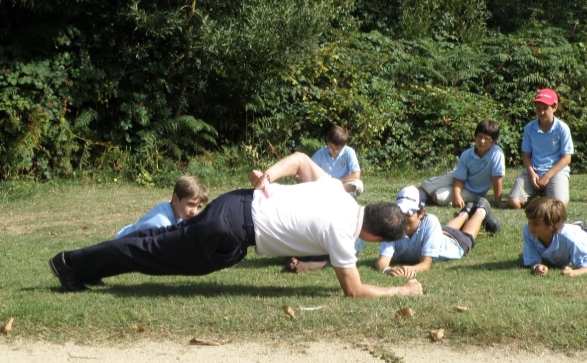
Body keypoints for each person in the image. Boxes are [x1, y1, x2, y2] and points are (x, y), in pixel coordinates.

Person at [48, 153, 423, 298]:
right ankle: (70, 264)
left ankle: (81, 268)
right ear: (373, 236)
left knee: (155, 245)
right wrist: (404, 292)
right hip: (228, 232)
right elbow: (354, 291)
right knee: (153, 253)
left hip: (235, 204)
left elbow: (299, 160)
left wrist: (268, 178)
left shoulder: (338, 192)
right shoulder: (343, 233)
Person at [374, 186, 499, 279]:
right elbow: (382, 261)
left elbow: (425, 264)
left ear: (421, 213)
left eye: (408, 213)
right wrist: (387, 270)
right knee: (443, 229)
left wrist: (406, 269)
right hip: (441, 234)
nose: (402, 218)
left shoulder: (431, 222)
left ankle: (481, 210)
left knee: (468, 236)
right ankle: (465, 211)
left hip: (454, 242)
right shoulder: (392, 225)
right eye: (399, 212)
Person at [504, 88, 574, 209]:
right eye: (538, 109)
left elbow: (566, 158)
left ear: (554, 108)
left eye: (545, 108)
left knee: (559, 205)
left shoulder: (562, 128)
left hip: (556, 173)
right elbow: (526, 156)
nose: (541, 112)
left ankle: (542, 197)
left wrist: (547, 176)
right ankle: (539, 198)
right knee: (514, 202)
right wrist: (532, 174)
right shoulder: (529, 128)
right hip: (534, 172)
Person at [417, 120, 504, 215]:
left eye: (486, 139)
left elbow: (497, 179)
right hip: (458, 177)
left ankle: (431, 195)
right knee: (427, 187)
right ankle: (412, 196)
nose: (482, 141)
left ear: (493, 142)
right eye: (479, 137)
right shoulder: (466, 154)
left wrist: (498, 202)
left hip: (473, 192)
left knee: (437, 197)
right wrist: (457, 195)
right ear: (475, 136)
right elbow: (459, 178)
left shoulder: (496, 153)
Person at [523, 196, 587, 277]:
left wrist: (574, 272)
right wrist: (536, 266)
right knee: (573, 232)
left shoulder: (571, 239)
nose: (530, 226)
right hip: (566, 233)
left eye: (536, 224)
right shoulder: (528, 231)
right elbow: (532, 258)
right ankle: (577, 225)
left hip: (581, 239)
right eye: (529, 221)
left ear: (551, 226)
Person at [115, 175, 208, 238]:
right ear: (175, 199)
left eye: (199, 207)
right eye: (190, 204)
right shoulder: (161, 225)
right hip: (122, 247)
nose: (194, 212)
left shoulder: (175, 209)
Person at [311, 124, 364, 197]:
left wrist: (338, 183)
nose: (333, 150)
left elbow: (356, 174)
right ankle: (330, 193)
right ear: (327, 142)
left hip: (342, 184)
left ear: (343, 146)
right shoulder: (321, 152)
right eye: (330, 147)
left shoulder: (349, 152)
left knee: (358, 184)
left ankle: (332, 193)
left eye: (337, 149)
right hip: (326, 185)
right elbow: (309, 166)